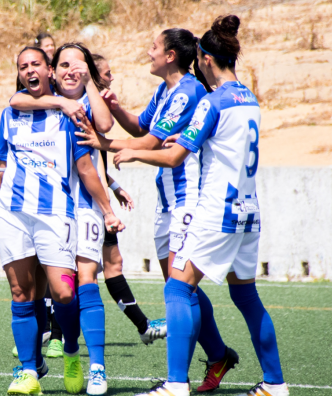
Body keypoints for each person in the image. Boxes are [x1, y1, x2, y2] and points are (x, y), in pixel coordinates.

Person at [111, 15, 290, 396]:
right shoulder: (248, 98)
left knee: (177, 289)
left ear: (206, 59)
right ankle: (275, 384)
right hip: (249, 213)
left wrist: (133, 155)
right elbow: (221, 141)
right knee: (245, 296)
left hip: (215, 213)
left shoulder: (211, 101)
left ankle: (175, 384)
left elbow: (175, 157)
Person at [77, 29, 239, 393]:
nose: (147, 52)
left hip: (189, 200)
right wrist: (116, 108)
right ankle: (217, 355)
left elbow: (147, 143)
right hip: (168, 202)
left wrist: (100, 141)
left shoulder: (188, 91)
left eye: (153, 47)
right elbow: (142, 128)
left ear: (169, 55)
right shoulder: (165, 91)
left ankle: (177, 381)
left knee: (179, 290)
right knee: (180, 288)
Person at [0, 46, 124, 396]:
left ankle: (71, 348)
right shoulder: (10, 113)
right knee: (21, 293)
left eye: (35, 64)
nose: (29, 71)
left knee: (64, 292)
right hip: (13, 213)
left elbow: (86, 168)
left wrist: (107, 209)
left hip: (57, 212)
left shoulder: (71, 115)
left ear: (50, 70)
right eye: (23, 66)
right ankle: (29, 371)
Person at [10, 42, 113, 396]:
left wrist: (89, 86)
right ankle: (42, 358)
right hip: (52, 205)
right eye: (64, 64)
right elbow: (16, 100)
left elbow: (103, 131)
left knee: (83, 280)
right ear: (54, 70)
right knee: (48, 290)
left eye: (78, 65)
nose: (71, 70)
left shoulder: (86, 101)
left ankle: (96, 366)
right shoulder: (46, 102)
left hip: (85, 203)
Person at [93, 52, 168, 345]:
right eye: (108, 73)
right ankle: (55, 335)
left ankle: (142, 326)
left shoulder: (99, 110)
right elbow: (83, 162)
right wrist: (106, 199)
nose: (112, 78)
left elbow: (92, 162)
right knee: (78, 272)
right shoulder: (84, 110)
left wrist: (113, 186)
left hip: (99, 196)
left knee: (111, 265)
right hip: (86, 201)